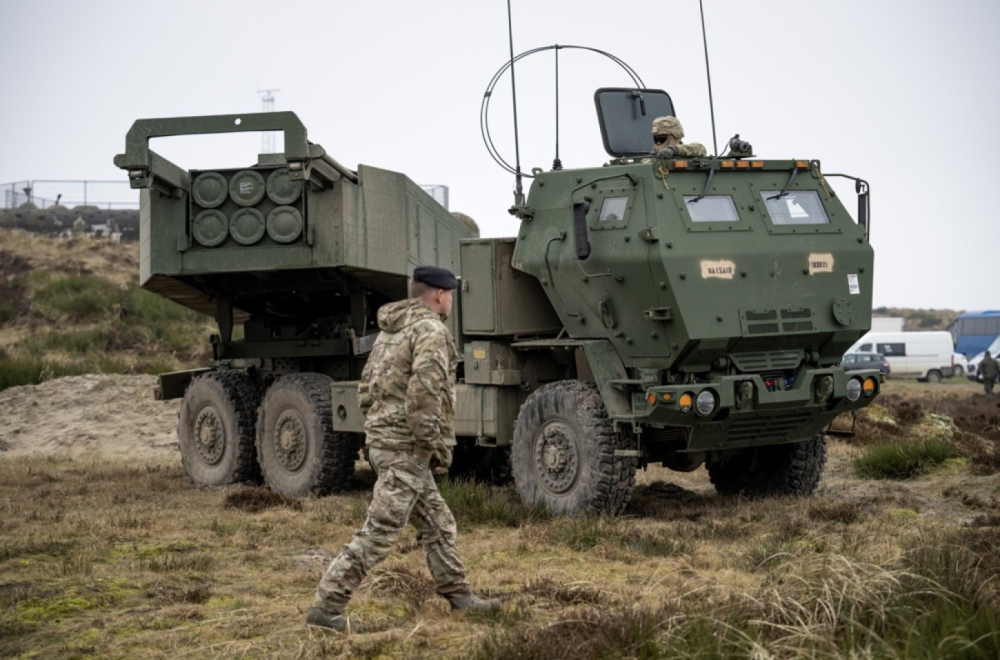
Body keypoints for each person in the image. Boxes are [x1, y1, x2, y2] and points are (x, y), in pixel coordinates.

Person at [306, 266, 500, 631]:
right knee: (380, 532)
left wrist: (382, 429)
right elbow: (425, 393)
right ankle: (326, 605)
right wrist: (430, 446)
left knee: (438, 523)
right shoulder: (430, 331)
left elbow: (367, 389)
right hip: (405, 448)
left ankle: (460, 597)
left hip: (386, 442)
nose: (451, 301)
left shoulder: (391, 332)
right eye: (451, 295)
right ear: (439, 296)